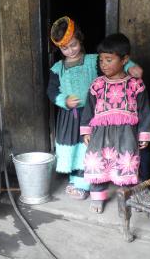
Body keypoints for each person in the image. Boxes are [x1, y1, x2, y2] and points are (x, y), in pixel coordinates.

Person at [47, 16, 142, 200]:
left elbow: (114, 59)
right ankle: (76, 180)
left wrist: (131, 67)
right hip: (69, 116)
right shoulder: (57, 68)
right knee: (73, 148)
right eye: (64, 48)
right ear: (59, 48)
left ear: (80, 39)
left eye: (73, 44)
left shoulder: (94, 60)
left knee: (90, 147)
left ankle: (90, 181)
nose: (70, 50)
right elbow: (51, 91)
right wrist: (63, 100)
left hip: (93, 113)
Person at [80, 33, 150, 213]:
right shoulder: (96, 84)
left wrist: (144, 133)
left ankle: (128, 197)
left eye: (109, 60)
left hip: (127, 133)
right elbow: (88, 109)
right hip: (100, 134)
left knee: (126, 162)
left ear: (124, 59)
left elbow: (144, 110)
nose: (103, 64)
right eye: (101, 60)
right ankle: (98, 197)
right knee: (99, 162)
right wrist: (86, 131)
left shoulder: (135, 84)